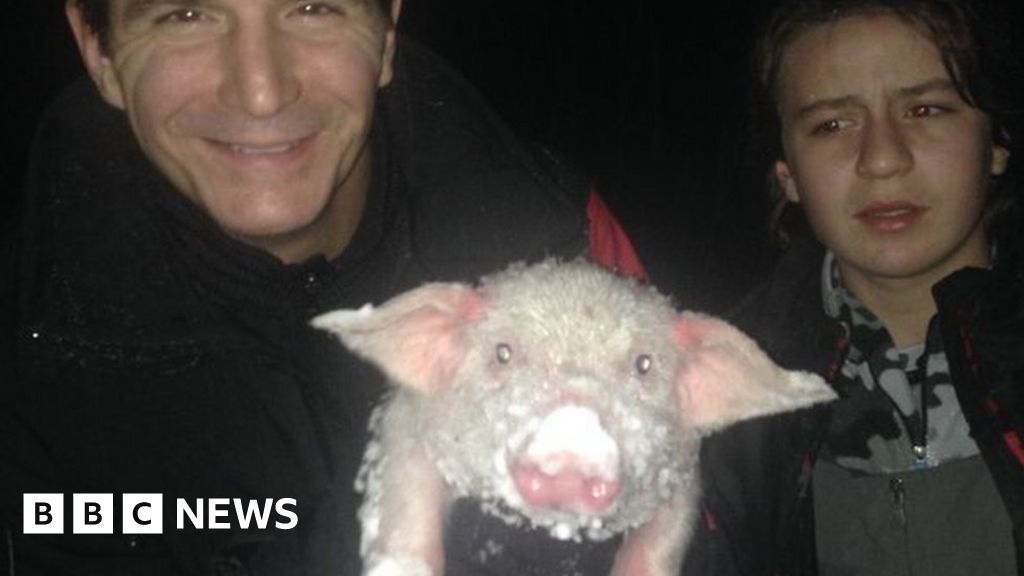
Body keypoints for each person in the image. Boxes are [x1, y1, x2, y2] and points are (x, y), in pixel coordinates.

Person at [0, 0, 642, 574]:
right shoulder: (34, 369)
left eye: (313, 8)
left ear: (386, 31)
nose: (261, 92)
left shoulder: (567, 248)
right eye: (185, 17)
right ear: (99, 51)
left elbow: (698, 527)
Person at [682, 0, 1024, 575]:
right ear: (786, 173)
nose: (883, 159)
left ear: (996, 144)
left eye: (925, 108)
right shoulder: (719, 400)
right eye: (832, 124)